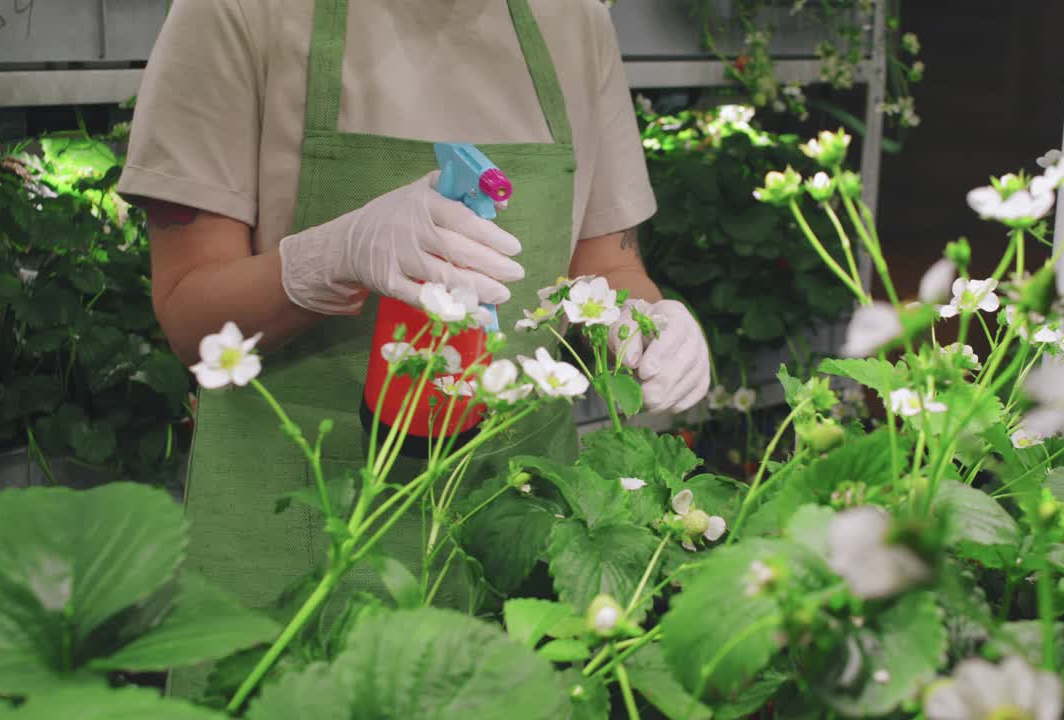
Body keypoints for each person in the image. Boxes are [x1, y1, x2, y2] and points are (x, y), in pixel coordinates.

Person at [118, 0, 711, 698]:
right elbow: (190, 308)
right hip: (296, 535)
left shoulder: (573, 20)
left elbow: (607, 267)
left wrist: (643, 322)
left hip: (512, 527)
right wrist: (327, 258)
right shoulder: (237, 13)